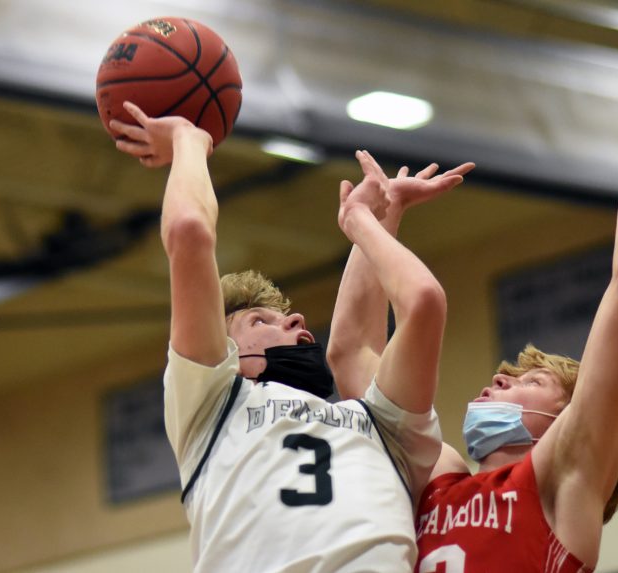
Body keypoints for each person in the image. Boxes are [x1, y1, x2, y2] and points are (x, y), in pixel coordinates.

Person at [327, 65, 618, 572]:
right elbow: (350, 354)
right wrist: (382, 218)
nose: (499, 377)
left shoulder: (564, 479)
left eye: (533, 379)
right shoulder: (437, 476)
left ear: (568, 417)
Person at [109, 101, 464, 571]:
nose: (296, 321)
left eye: (286, 317)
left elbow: (366, 340)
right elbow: (190, 232)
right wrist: (188, 141)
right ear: (229, 356)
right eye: (261, 322)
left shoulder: (385, 425)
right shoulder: (212, 405)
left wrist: (379, 220)